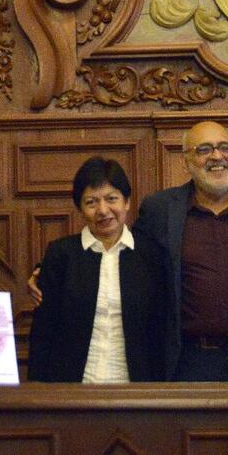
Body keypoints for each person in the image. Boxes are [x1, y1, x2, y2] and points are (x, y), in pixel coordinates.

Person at [133, 120, 228, 381]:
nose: (217, 156)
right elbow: (127, 261)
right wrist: (49, 272)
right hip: (190, 361)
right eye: (204, 149)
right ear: (186, 161)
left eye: (225, 147)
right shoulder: (159, 209)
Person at [27, 157, 165, 382]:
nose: (103, 210)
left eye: (112, 199)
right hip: (73, 387)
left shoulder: (151, 255)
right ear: (80, 208)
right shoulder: (61, 255)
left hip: (137, 388)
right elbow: (44, 331)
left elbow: (161, 329)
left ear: (127, 202)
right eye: (91, 202)